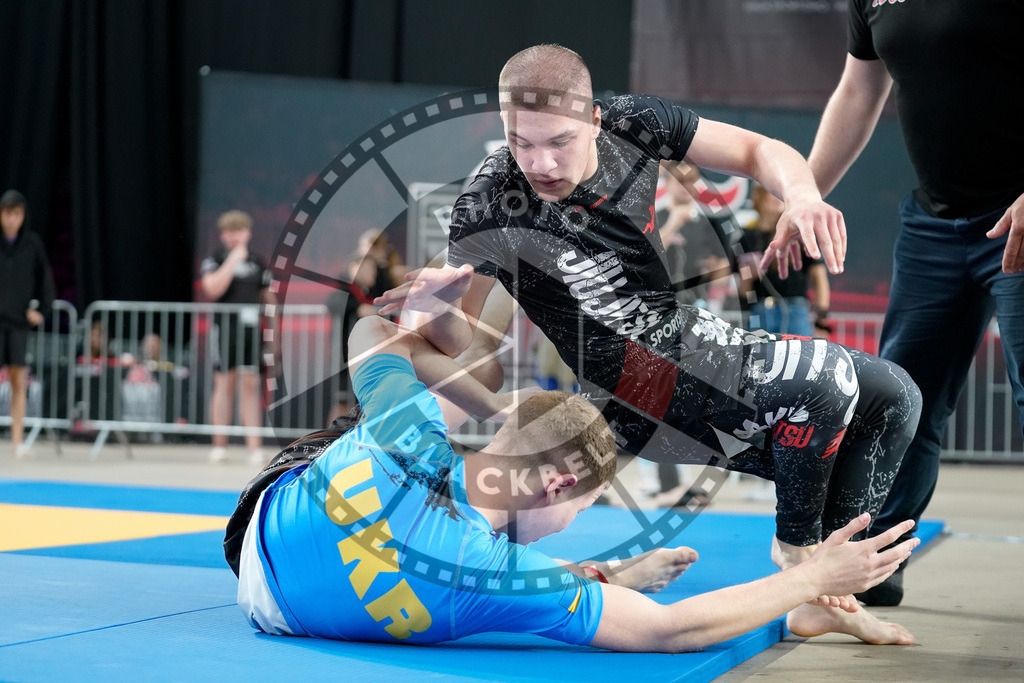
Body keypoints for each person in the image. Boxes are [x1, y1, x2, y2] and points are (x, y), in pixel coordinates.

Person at [376, 44, 922, 643]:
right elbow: (472, 358)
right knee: (826, 383)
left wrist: (802, 195)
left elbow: (758, 150)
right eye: (520, 141)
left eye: (558, 141)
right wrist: (440, 314)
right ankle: (801, 571)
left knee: (893, 397)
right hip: (628, 389)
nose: (539, 161)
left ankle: (824, 600)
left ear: (594, 120)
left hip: (684, 343)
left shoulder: (637, 124)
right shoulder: (487, 206)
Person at [228, 290, 920, 650]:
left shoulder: (416, 430)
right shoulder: (482, 567)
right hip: (270, 584)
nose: (573, 523)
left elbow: (368, 332)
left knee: (383, 426)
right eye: (583, 508)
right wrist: (812, 575)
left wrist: (466, 366)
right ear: (560, 482)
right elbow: (668, 630)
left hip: (275, 510)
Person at [798, 1, 1024, 606]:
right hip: (934, 226)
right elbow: (856, 92)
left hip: (1019, 214)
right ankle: (875, 562)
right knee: (904, 401)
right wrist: (803, 197)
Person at [200, 210, 275, 465]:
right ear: (223, 235)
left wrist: (273, 335)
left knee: (251, 385)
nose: (234, 236)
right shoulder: (216, 257)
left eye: (239, 231)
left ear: (247, 232)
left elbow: (268, 297)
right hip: (225, 330)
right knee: (224, 383)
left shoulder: (257, 261)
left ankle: (254, 448)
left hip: (251, 331)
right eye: (229, 232)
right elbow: (212, 288)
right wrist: (233, 259)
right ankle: (219, 446)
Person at [0, 189, 55, 458]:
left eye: (17, 214)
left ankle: (18, 440)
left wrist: (42, 310)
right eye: (7, 214)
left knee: (18, 380)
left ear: (23, 216)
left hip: (18, 323)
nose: (12, 220)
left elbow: (45, 281)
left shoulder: (32, 244)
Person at [740, 184, 831, 338]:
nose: (777, 198)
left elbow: (820, 277)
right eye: (772, 193)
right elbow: (744, 291)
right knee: (759, 360)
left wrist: (821, 318)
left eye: (782, 194)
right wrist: (749, 275)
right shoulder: (747, 238)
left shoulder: (799, 233)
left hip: (796, 310)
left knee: (801, 358)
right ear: (759, 197)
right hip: (761, 310)